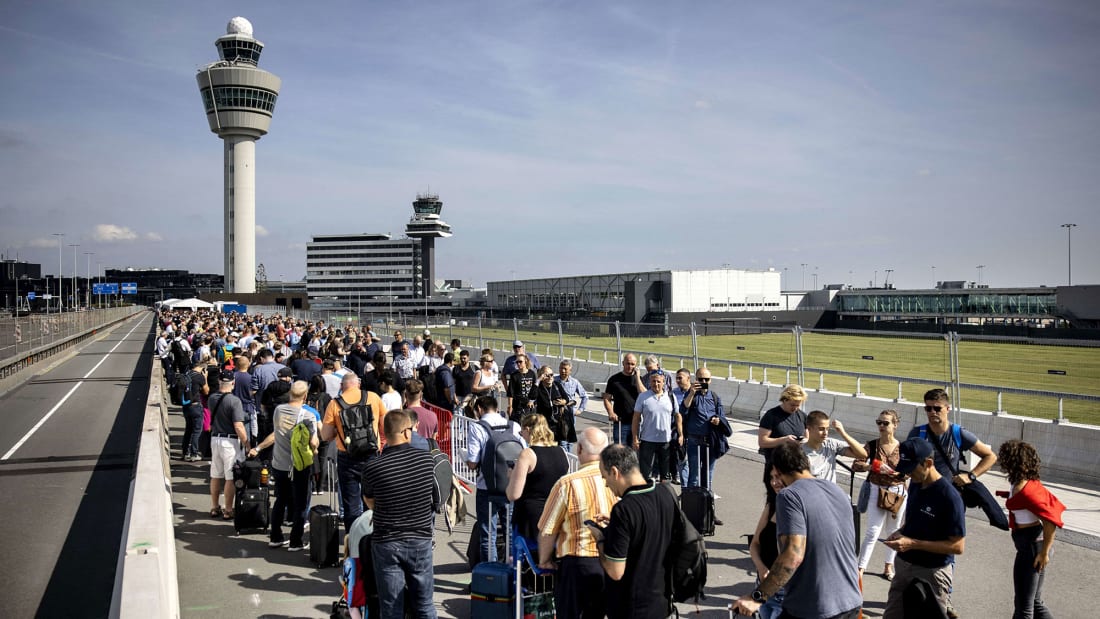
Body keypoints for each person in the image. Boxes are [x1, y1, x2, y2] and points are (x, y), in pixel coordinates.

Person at [732, 443, 862, 619]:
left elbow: (793, 554)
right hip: (850, 602)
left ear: (777, 470)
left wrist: (758, 597)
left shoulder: (789, 496)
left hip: (814, 608)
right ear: (806, 463)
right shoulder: (837, 490)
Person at [362, 409, 438, 619]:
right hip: (420, 539)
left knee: (391, 607)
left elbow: (369, 501)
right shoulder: (426, 460)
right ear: (406, 432)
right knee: (424, 605)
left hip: (386, 540)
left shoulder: (373, 467)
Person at [591, 444, 679, 619]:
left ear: (615, 472)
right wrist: (617, 526)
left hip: (632, 607)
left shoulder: (623, 510)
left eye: (605, 477)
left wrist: (600, 540)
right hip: (662, 601)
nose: (607, 484)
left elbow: (616, 572)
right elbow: (651, 527)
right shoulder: (666, 493)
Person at [537, 428, 617, 619]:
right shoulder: (616, 480)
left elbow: (548, 530)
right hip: (611, 560)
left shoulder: (567, 483)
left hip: (578, 561)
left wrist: (544, 560)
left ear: (580, 448)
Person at [882, 438, 966, 619]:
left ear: (928, 463)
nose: (908, 474)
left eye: (912, 468)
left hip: (932, 572)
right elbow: (914, 520)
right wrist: (902, 532)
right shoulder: (915, 484)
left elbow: (957, 546)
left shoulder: (949, 497)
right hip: (904, 566)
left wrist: (912, 543)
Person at [248, 380, 319, 551]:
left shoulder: (279, 411)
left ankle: (276, 536)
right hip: (298, 465)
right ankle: (296, 540)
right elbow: (314, 442)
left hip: (279, 463)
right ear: (305, 396)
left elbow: (277, 432)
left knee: (281, 499)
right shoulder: (308, 416)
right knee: (300, 503)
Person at [998, 440, 1065, 619]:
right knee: (1034, 602)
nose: (1001, 460)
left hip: (1031, 548)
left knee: (1024, 607)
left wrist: (1044, 553)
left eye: (1005, 457)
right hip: (1032, 544)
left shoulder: (1026, 490)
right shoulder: (1022, 482)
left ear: (1013, 461)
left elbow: (1051, 521)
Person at [320, 373, 386, 534]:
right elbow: (384, 428)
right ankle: (371, 537)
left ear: (342, 386)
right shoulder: (373, 397)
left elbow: (325, 435)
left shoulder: (334, 404)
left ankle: (353, 541)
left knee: (350, 503)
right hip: (371, 455)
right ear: (358, 384)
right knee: (371, 500)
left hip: (347, 457)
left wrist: (340, 429)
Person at [464, 395, 526, 566]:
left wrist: (465, 458)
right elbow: (525, 452)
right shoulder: (514, 426)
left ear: (479, 410)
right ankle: (513, 572)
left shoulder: (477, 428)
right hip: (511, 487)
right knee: (511, 533)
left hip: (487, 488)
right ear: (497, 408)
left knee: (488, 535)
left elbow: (473, 462)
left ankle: (490, 576)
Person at [852, 409, 908, 582]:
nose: (881, 426)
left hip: (897, 492)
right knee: (872, 532)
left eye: (886, 423)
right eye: (879, 422)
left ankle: (888, 566)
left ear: (895, 425)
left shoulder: (903, 448)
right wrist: (872, 467)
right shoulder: (873, 445)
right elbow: (856, 464)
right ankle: (860, 569)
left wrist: (896, 473)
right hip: (876, 489)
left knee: (893, 531)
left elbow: (910, 472)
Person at [506, 414, 570, 544]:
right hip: (557, 515)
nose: (521, 435)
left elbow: (513, 494)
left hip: (531, 518)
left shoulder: (528, 454)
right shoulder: (561, 451)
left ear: (528, 430)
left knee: (525, 557)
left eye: (521, 432)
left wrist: (512, 477)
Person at [207, 369, 251, 519]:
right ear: (233, 383)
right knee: (230, 477)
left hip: (215, 439)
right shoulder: (234, 401)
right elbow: (238, 426)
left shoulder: (212, 398)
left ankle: (214, 506)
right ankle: (228, 509)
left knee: (215, 475)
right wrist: (247, 443)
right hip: (229, 441)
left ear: (219, 382)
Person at [748, 469, 789, 619]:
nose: (774, 482)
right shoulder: (772, 504)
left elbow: (794, 559)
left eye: (778, 477)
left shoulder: (800, 511)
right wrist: (761, 568)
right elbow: (754, 544)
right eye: (771, 478)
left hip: (786, 596)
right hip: (764, 590)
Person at [758, 384, 808, 501]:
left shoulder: (802, 416)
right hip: (776, 468)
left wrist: (803, 441)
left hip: (795, 469)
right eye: (792, 405)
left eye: (798, 405)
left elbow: (807, 436)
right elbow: (762, 441)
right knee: (774, 503)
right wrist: (784, 440)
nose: (795, 408)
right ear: (785, 399)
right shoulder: (771, 416)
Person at [631, 371, 681, 483]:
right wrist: (635, 438)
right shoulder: (643, 397)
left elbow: (678, 416)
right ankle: (645, 495)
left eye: (659, 381)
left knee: (665, 474)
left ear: (663, 382)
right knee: (645, 472)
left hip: (665, 441)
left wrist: (680, 434)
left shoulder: (671, 397)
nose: (656, 384)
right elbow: (636, 419)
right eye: (653, 381)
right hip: (647, 440)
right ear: (650, 382)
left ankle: (664, 495)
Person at [680, 367, 724, 491]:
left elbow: (721, 416)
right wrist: (692, 392)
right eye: (701, 379)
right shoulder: (691, 394)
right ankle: (691, 501)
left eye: (706, 379)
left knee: (708, 473)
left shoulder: (714, 397)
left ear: (710, 380)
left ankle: (706, 501)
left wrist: (717, 420)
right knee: (694, 474)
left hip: (710, 440)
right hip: (694, 441)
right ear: (696, 379)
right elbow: (683, 409)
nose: (703, 381)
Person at [801, 410, 867, 484]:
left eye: (827, 429)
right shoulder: (800, 452)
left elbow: (862, 454)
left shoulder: (831, 444)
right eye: (821, 429)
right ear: (809, 428)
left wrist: (843, 433)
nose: (825, 433)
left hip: (831, 493)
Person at [602, 354, 645, 446]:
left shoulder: (639, 380)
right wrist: (611, 413)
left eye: (633, 364)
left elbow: (644, 395)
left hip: (636, 422)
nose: (630, 366)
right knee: (620, 451)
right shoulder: (614, 380)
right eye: (627, 364)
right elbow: (607, 398)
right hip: (620, 423)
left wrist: (637, 377)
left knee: (635, 451)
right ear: (623, 363)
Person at [533, 365, 572, 445]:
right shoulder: (539, 387)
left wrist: (563, 402)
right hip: (544, 424)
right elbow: (531, 396)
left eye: (551, 375)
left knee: (558, 446)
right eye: (547, 375)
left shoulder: (556, 385)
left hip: (557, 423)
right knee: (545, 445)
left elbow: (566, 398)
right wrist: (538, 380)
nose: (550, 377)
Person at [555, 360, 587, 452]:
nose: (563, 371)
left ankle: (569, 460)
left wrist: (580, 410)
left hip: (570, 414)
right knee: (562, 441)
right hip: (559, 414)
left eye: (565, 369)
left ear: (570, 371)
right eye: (561, 368)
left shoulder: (574, 382)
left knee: (570, 440)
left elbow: (585, 396)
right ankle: (565, 461)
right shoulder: (554, 381)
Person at [181, 360, 209, 462]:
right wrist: (205, 377)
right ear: (202, 368)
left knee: (188, 429)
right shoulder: (199, 377)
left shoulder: (186, 374)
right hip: (196, 406)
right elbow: (206, 391)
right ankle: (194, 453)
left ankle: (185, 452)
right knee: (197, 431)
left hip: (186, 406)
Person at [669, 369, 693, 486]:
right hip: (679, 431)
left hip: (693, 431)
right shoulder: (673, 394)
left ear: (688, 378)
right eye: (676, 378)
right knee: (683, 461)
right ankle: (685, 489)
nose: (677, 381)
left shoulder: (695, 393)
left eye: (680, 378)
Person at [506, 353, 537, 423]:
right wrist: (510, 406)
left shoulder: (532, 373)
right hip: (518, 406)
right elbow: (511, 392)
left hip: (529, 406)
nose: (518, 364)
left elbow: (535, 389)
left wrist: (533, 401)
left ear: (525, 361)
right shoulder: (514, 375)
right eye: (517, 362)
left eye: (520, 362)